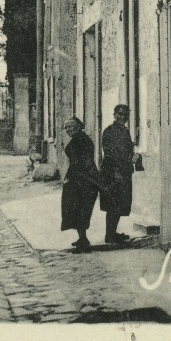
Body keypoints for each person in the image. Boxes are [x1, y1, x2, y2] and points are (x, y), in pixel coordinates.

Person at [100, 104, 141, 244]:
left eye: (125, 115)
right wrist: (116, 172)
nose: (122, 117)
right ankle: (109, 235)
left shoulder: (124, 130)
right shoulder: (110, 131)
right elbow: (110, 153)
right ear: (114, 114)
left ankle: (112, 233)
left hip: (123, 171)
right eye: (119, 114)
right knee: (113, 204)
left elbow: (124, 151)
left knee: (119, 204)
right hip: (113, 172)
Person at [61, 117, 102, 252]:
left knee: (81, 209)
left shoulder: (83, 140)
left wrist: (86, 178)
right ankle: (82, 238)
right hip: (76, 179)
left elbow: (85, 162)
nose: (68, 130)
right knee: (75, 209)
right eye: (66, 127)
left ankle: (83, 241)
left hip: (84, 180)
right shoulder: (77, 139)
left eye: (71, 126)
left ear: (79, 126)